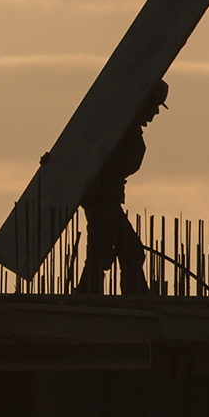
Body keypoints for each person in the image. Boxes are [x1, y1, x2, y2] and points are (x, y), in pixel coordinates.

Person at [70, 79, 169, 295]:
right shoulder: (120, 131)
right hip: (103, 199)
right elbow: (103, 168)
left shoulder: (126, 130)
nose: (155, 114)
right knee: (111, 252)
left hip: (108, 199)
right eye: (153, 107)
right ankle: (96, 294)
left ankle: (92, 292)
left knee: (117, 252)